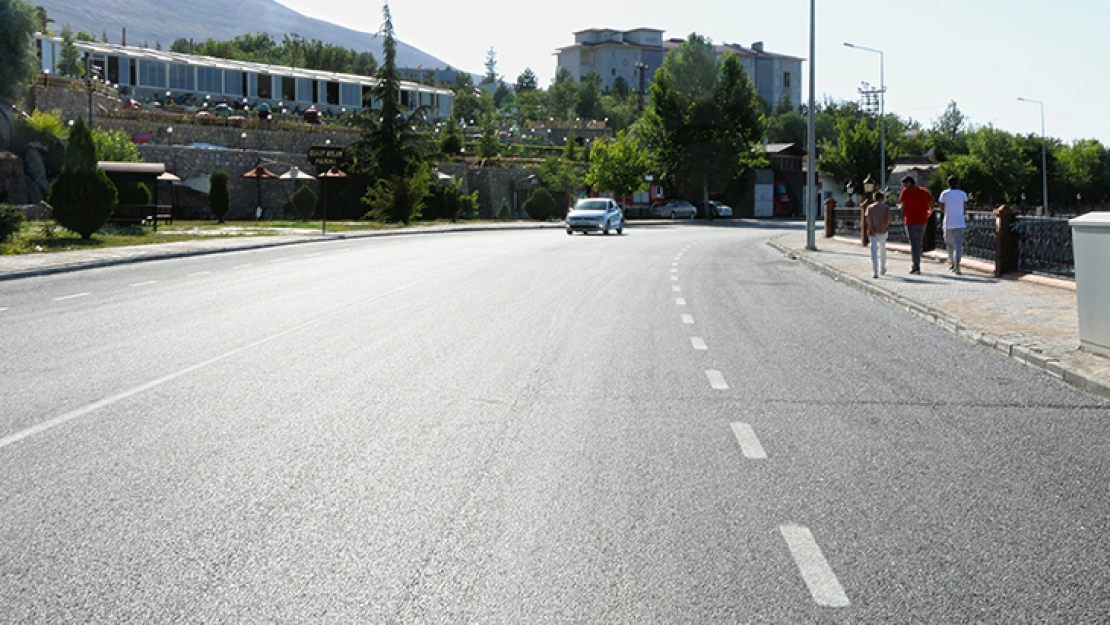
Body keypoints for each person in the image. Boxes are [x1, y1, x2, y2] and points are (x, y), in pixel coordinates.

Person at [898, 175, 934, 274]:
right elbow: (931, 206)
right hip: (922, 220)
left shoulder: (906, 192)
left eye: (904, 184)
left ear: (909, 183)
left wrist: (900, 207)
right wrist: (928, 214)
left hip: (911, 220)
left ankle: (916, 266)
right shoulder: (924, 191)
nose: (903, 186)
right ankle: (917, 263)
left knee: (914, 244)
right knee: (919, 242)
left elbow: (903, 207)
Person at [938, 176, 969, 275]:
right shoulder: (963, 194)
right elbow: (965, 207)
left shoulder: (944, 194)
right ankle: (957, 265)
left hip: (948, 222)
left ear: (948, 184)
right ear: (957, 184)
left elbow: (942, 208)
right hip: (960, 222)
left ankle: (952, 263)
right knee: (958, 245)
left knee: (949, 244)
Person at [864, 191, 892, 278]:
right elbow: (888, 219)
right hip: (883, 231)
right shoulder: (886, 207)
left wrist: (871, 228)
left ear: (874, 198)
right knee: (882, 249)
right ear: (882, 198)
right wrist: (886, 227)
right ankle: (883, 268)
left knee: (874, 251)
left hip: (873, 232)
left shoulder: (870, 207)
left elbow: (868, 219)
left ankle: (875, 271)